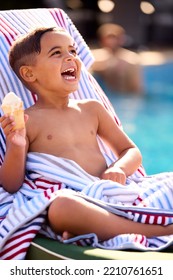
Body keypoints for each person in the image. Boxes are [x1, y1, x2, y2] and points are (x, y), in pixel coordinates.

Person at [0, 27, 173, 241]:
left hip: (111, 192)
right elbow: (11, 185)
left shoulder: (92, 109)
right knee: (61, 208)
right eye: (57, 53)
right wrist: (16, 145)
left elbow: (130, 150)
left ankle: (105, 226)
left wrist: (119, 168)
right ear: (29, 73)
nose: (71, 58)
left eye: (73, 51)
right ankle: (162, 231)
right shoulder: (26, 121)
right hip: (76, 198)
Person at [91, 23, 143, 94]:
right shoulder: (94, 57)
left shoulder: (131, 60)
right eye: (108, 38)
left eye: (113, 37)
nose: (110, 41)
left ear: (121, 40)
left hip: (123, 97)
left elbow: (137, 88)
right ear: (102, 40)